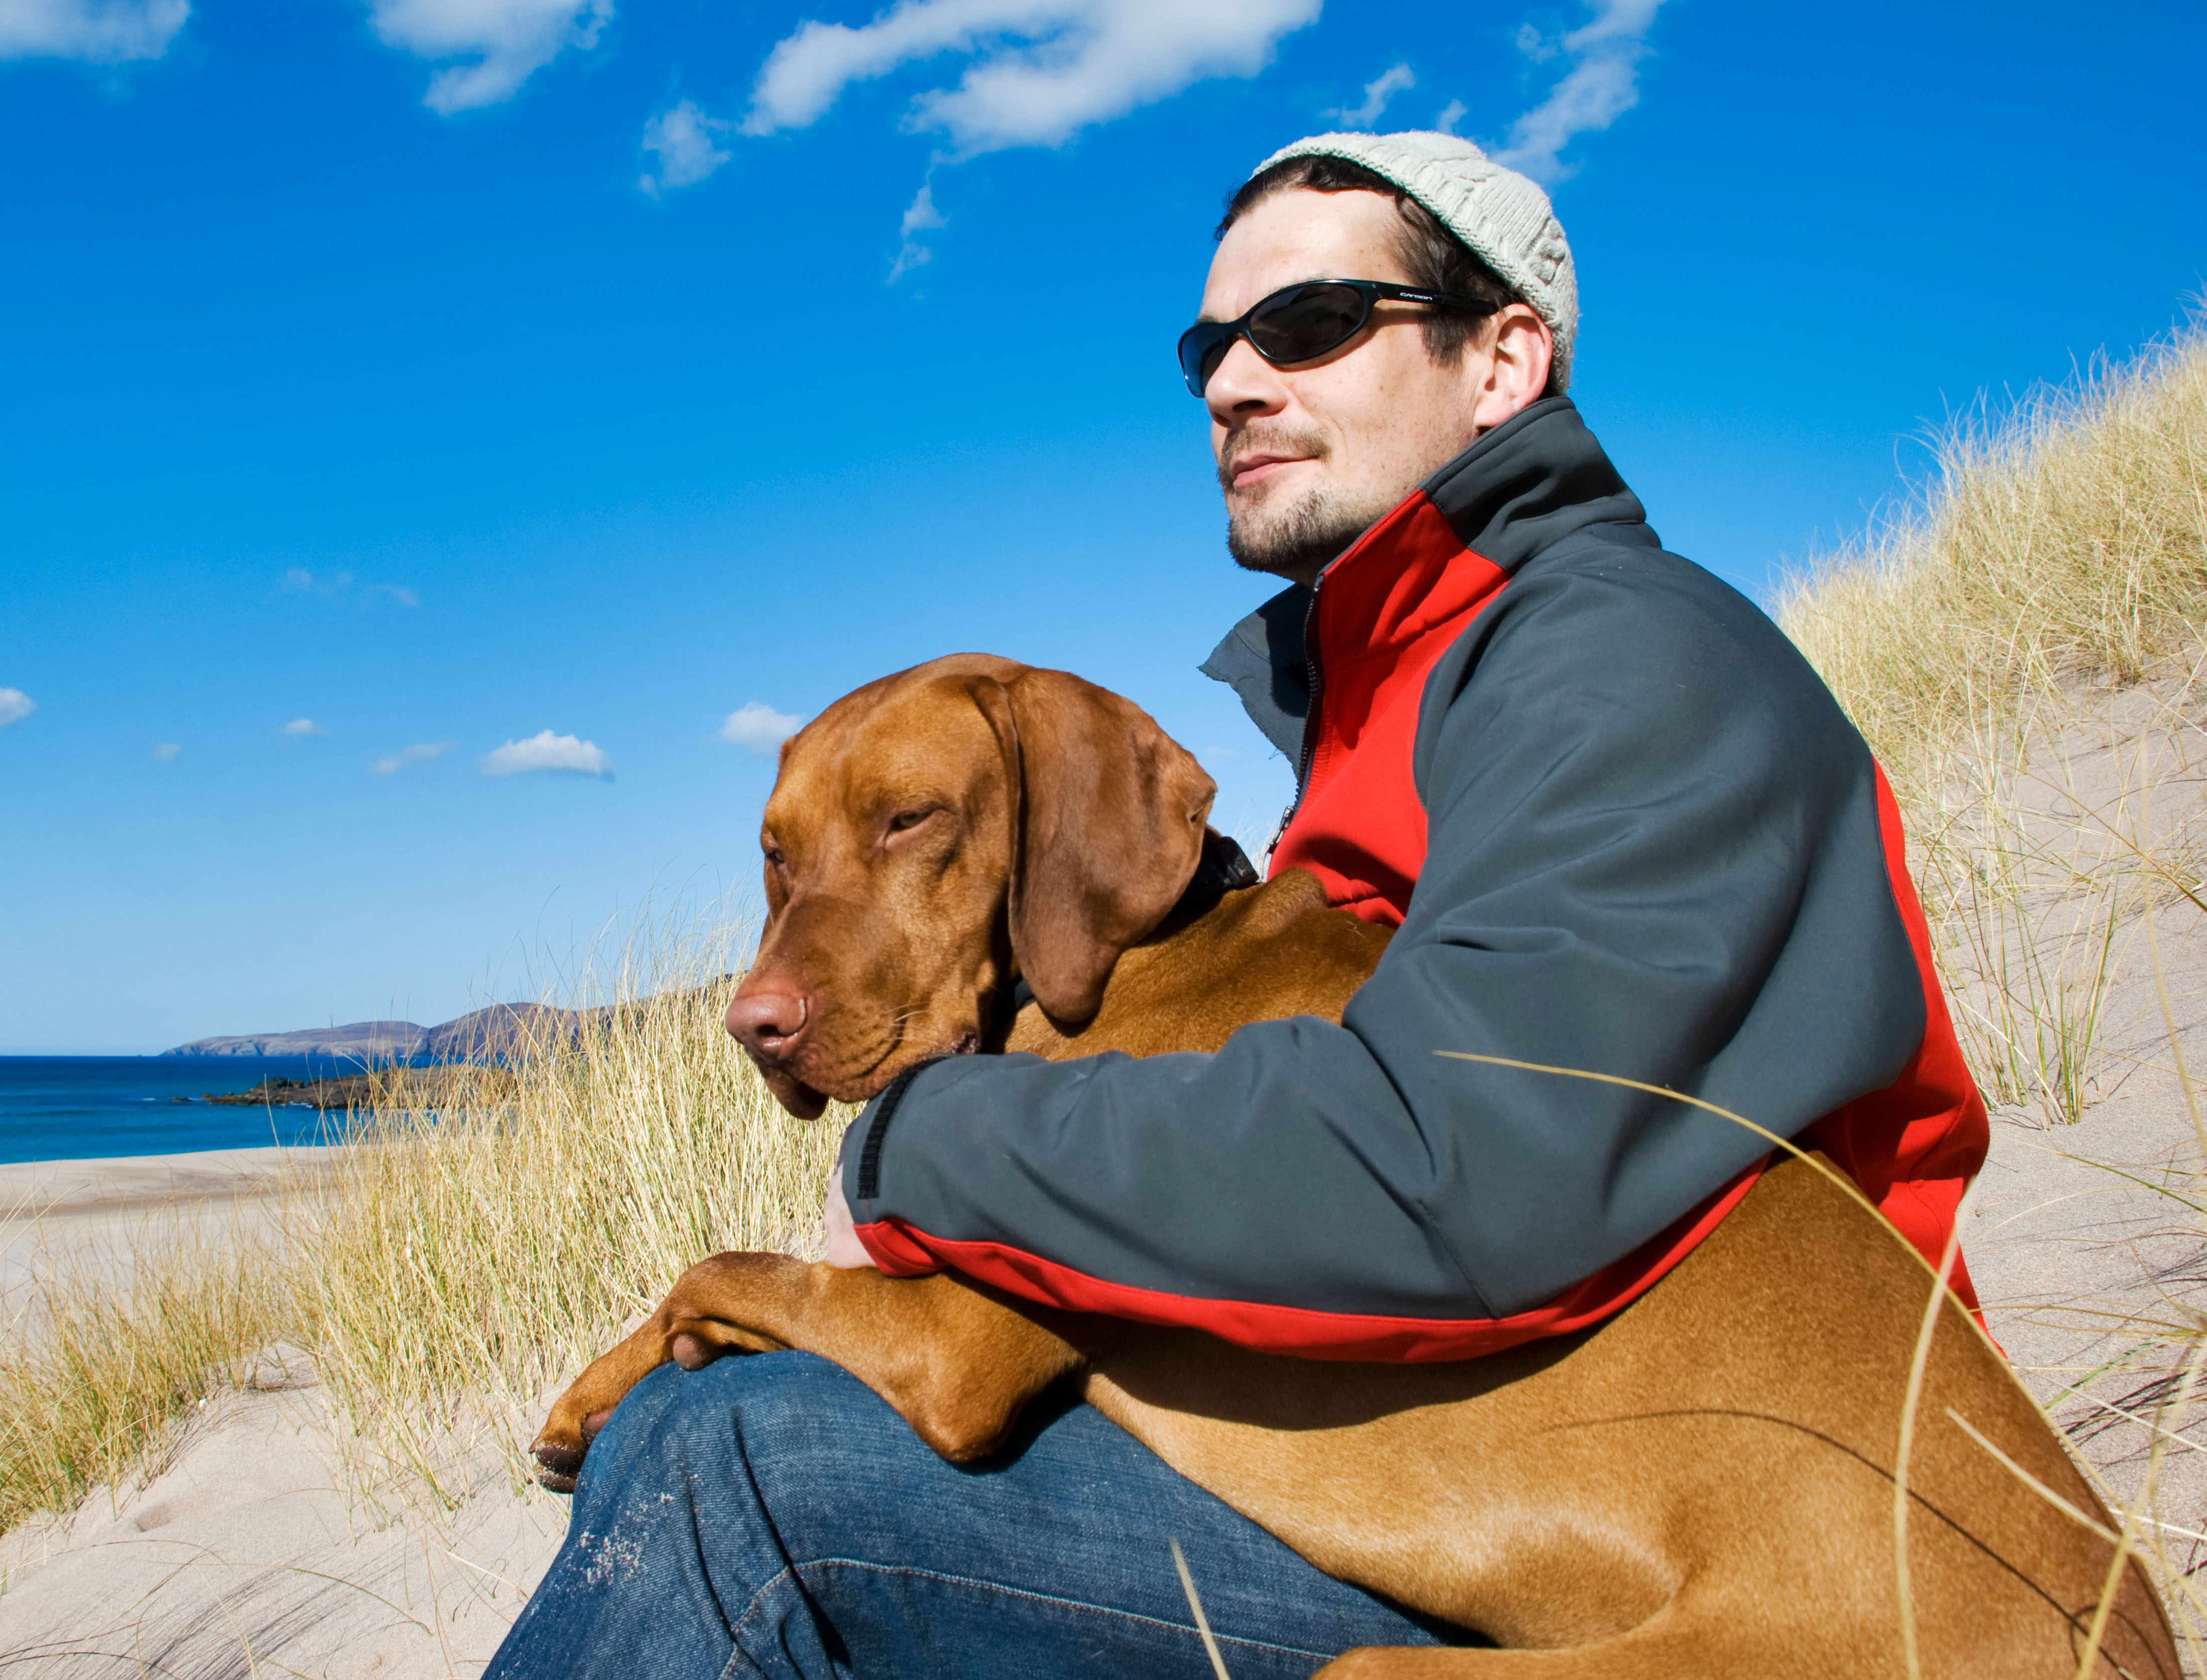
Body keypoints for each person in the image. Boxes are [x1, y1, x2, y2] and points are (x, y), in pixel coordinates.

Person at [483, 130, 1988, 1679]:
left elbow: (1445, 1165)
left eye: (1316, 325)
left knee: (734, 1470)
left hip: (1869, 1604)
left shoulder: (1628, 660)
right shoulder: (1375, 720)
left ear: (1505, 363)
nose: (1234, 382)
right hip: (1535, 1507)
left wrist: (916, 1145)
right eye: (1212, 346)